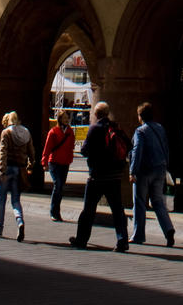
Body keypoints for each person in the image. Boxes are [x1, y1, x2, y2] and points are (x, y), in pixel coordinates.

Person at [69, 101, 130, 252]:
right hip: (114, 176)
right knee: (117, 210)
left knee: (88, 210)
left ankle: (81, 239)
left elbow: (84, 150)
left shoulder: (94, 129)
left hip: (97, 176)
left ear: (96, 114)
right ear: (107, 113)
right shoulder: (115, 127)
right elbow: (129, 145)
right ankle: (122, 240)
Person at [129, 101, 175, 247]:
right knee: (158, 201)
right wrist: (165, 163)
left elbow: (137, 151)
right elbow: (166, 147)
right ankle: (168, 229)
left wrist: (132, 171)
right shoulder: (160, 128)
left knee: (140, 202)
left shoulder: (140, 131)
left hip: (144, 170)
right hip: (160, 168)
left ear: (140, 116)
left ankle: (138, 235)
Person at [0, 110, 35, 241]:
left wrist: (2, 169)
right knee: (16, 200)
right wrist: (30, 164)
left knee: (1, 199)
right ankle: (20, 221)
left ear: (8, 121)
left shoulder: (6, 132)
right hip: (19, 169)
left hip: (7, 168)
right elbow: (31, 152)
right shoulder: (26, 132)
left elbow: (2, 151)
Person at [42, 109, 75, 221]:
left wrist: (70, 159)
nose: (66, 120)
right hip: (54, 162)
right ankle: (53, 211)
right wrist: (44, 162)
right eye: (64, 118)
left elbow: (71, 146)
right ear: (60, 119)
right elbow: (47, 148)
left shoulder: (70, 132)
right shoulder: (53, 132)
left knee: (60, 188)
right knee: (58, 185)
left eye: (67, 118)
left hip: (65, 163)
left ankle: (57, 212)